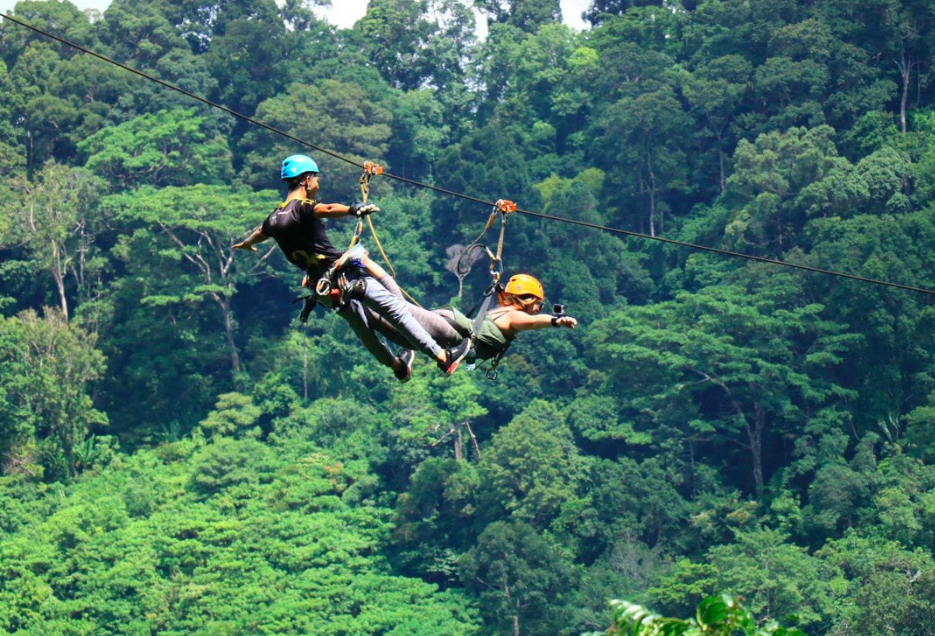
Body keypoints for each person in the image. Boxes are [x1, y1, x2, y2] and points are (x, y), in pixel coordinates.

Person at [232, 154, 471, 381]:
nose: (317, 183)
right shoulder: (303, 207)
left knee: (365, 333)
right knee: (396, 311)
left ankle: (398, 367)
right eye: (315, 178)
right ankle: (443, 357)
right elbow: (325, 209)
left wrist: (246, 244)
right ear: (306, 179)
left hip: (323, 290)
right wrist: (352, 208)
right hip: (346, 279)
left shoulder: (274, 217)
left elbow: (260, 233)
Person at [359, 268, 578, 369]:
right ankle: (362, 275)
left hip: (446, 325)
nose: (539, 308)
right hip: (446, 330)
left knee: (383, 318)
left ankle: (365, 265)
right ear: (528, 300)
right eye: (539, 303)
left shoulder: (500, 311)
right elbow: (533, 322)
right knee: (392, 308)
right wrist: (556, 321)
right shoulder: (514, 317)